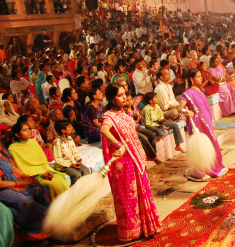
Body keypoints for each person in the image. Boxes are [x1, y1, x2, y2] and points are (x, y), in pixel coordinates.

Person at [100, 83, 162, 242]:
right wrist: (116, 144)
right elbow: (104, 131)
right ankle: (130, 230)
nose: (123, 98)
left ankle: (144, 226)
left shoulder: (125, 114)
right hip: (123, 162)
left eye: (124, 95)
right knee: (128, 196)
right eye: (120, 95)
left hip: (135, 159)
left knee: (141, 192)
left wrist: (143, 155)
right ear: (112, 99)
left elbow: (134, 137)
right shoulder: (109, 116)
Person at [178, 69, 228, 181]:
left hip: (207, 121)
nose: (201, 78)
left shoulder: (201, 91)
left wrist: (212, 122)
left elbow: (206, 108)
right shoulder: (188, 93)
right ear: (191, 79)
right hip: (197, 122)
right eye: (198, 76)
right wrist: (187, 112)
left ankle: (214, 168)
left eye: (201, 76)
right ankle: (200, 170)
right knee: (200, 147)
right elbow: (180, 108)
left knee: (213, 143)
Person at [0, 141, 51, 241]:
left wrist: (27, 177)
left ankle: (50, 223)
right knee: (24, 200)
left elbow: (12, 167)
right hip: (3, 188)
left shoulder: (2, 149)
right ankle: (37, 232)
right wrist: (22, 183)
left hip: (14, 181)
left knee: (40, 190)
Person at [9, 122, 69, 200]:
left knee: (61, 179)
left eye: (28, 129)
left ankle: (68, 205)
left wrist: (47, 172)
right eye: (25, 130)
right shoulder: (13, 148)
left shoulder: (33, 142)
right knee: (53, 184)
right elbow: (21, 167)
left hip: (44, 170)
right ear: (17, 134)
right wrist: (40, 175)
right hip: (32, 175)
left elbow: (43, 160)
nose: (28, 131)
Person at [51, 119, 89, 185]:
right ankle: (74, 192)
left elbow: (74, 151)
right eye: (69, 127)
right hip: (63, 166)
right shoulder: (57, 142)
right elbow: (58, 159)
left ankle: (84, 188)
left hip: (73, 162)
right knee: (76, 175)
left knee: (85, 170)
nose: (71, 128)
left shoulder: (70, 139)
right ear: (63, 130)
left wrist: (78, 159)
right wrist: (70, 165)